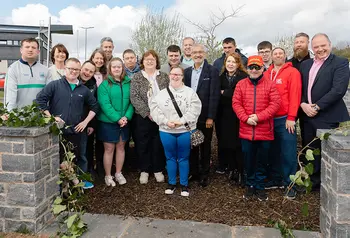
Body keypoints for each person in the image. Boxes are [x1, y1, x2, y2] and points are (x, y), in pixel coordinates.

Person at [35, 58, 99, 187]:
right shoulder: (54, 85)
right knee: (59, 159)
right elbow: (40, 100)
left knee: (71, 159)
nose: (73, 72)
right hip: (57, 131)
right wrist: (52, 117)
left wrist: (85, 122)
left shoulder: (83, 90)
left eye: (76, 69)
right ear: (65, 69)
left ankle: (70, 185)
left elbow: (95, 107)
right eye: (71, 68)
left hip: (75, 132)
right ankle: (70, 183)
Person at [299, 33, 350, 190]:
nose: (320, 49)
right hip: (307, 114)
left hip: (327, 115)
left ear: (330, 44)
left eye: (323, 45)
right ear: (312, 48)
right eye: (316, 47)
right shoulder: (306, 65)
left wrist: (316, 106)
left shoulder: (340, 63)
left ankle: (328, 184)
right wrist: (303, 104)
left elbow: (338, 90)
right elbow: (299, 87)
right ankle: (313, 183)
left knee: (326, 151)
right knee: (309, 150)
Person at [232, 55, 280, 201]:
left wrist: (259, 117)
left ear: (262, 68)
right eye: (251, 67)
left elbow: (275, 104)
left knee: (262, 160)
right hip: (246, 131)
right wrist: (246, 118)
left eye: (257, 67)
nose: (254, 70)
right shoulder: (241, 84)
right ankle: (250, 185)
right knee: (248, 160)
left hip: (264, 130)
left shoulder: (270, 84)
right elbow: (236, 103)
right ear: (247, 69)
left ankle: (260, 187)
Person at [149, 66, 202, 196]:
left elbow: (195, 110)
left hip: (185, 130)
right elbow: (155, 111)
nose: (175, 76)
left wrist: (182, 121)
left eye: (178, 74)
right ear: (169, 76)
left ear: (182, 76)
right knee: (170, 158)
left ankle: (184, 185)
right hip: (167, 130)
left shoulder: (190, 93)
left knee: (184, 157)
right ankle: (172, 183)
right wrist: (166, 122)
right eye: (173, 74)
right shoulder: (161, 94)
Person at [264, 47, 302, 199]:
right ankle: (276, 179)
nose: (278, 55)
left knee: (288, 153)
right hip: (268, 120)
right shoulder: (266, 74)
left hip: (285, 119)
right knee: (272, 151)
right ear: (272, 56)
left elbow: (295, 95)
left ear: (285, 56)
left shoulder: (292, 72)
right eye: (275, 53)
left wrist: (292, 117)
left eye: (281, 53)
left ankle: (290, 184)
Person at [184, 44, 220, 187]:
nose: (198, 54)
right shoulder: (186, 72)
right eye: (195, 52)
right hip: (190, 116)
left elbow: (214, 95)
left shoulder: (212, 71)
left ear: (204, 53)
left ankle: (205, 173)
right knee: (192, 145)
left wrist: (211, 116)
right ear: (190, 54)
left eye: (200, 52)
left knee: (205, 145)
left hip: (205, 116)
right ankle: (194, 171)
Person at [130, 50, 169, 184]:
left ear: (156, 61)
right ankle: (145, 170)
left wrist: (161, 112)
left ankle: (158, 169)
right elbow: (134, 97)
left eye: (152, 59)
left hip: (161, 116)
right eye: (147, 59)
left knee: (158, 143)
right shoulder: (137, 77)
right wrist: (148, 113)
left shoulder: (163, 76)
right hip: (143, 117)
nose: (150, 61)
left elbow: (169, 94)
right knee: (143, 143)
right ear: (142, 62)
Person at [97, 57, 134, 186]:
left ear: (122, 68)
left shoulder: (129, 83)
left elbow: (132, 102)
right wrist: (117, 118)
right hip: (108, 122)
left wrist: (126, 117)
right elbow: (105, 104)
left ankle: (118, 173)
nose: (117, 69)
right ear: (110, 69)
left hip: (124, 121)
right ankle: (108, 175)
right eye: (114, 67)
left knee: (121, 147)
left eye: (119, 66)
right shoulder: (105, 85)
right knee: (109, 148)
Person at [215, 53, 248, 186]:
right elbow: (217, 92)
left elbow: (240, 94)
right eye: (228, 61)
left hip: (238, 114)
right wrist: (228, 92)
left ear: (238, 63)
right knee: (227, 142)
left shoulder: (243, 77)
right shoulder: (221, 77)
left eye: (233, 62)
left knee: (238, 143)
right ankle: (231, 167)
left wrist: (226, 92)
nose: (230, 64)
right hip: (224, 114)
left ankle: (241, 170)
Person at [4, 37, 52, 111]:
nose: (30, 50)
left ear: (38, 51)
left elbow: (50, 95)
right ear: (21, 50)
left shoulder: (45, 70)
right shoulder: (13, 69)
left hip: (40, 118)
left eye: (33, 47)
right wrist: (9, 115)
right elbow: (10, 97)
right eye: (27, 47)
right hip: (19, 118)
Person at [79, 60, 98, 188]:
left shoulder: (93, 84)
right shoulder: (72, 81)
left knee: (85, 150)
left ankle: (85, 175)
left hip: (86, 122)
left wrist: (91, 124)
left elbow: (94, 105)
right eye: (86, 70)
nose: (87, 73)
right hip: (70, 121)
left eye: (91, 71)